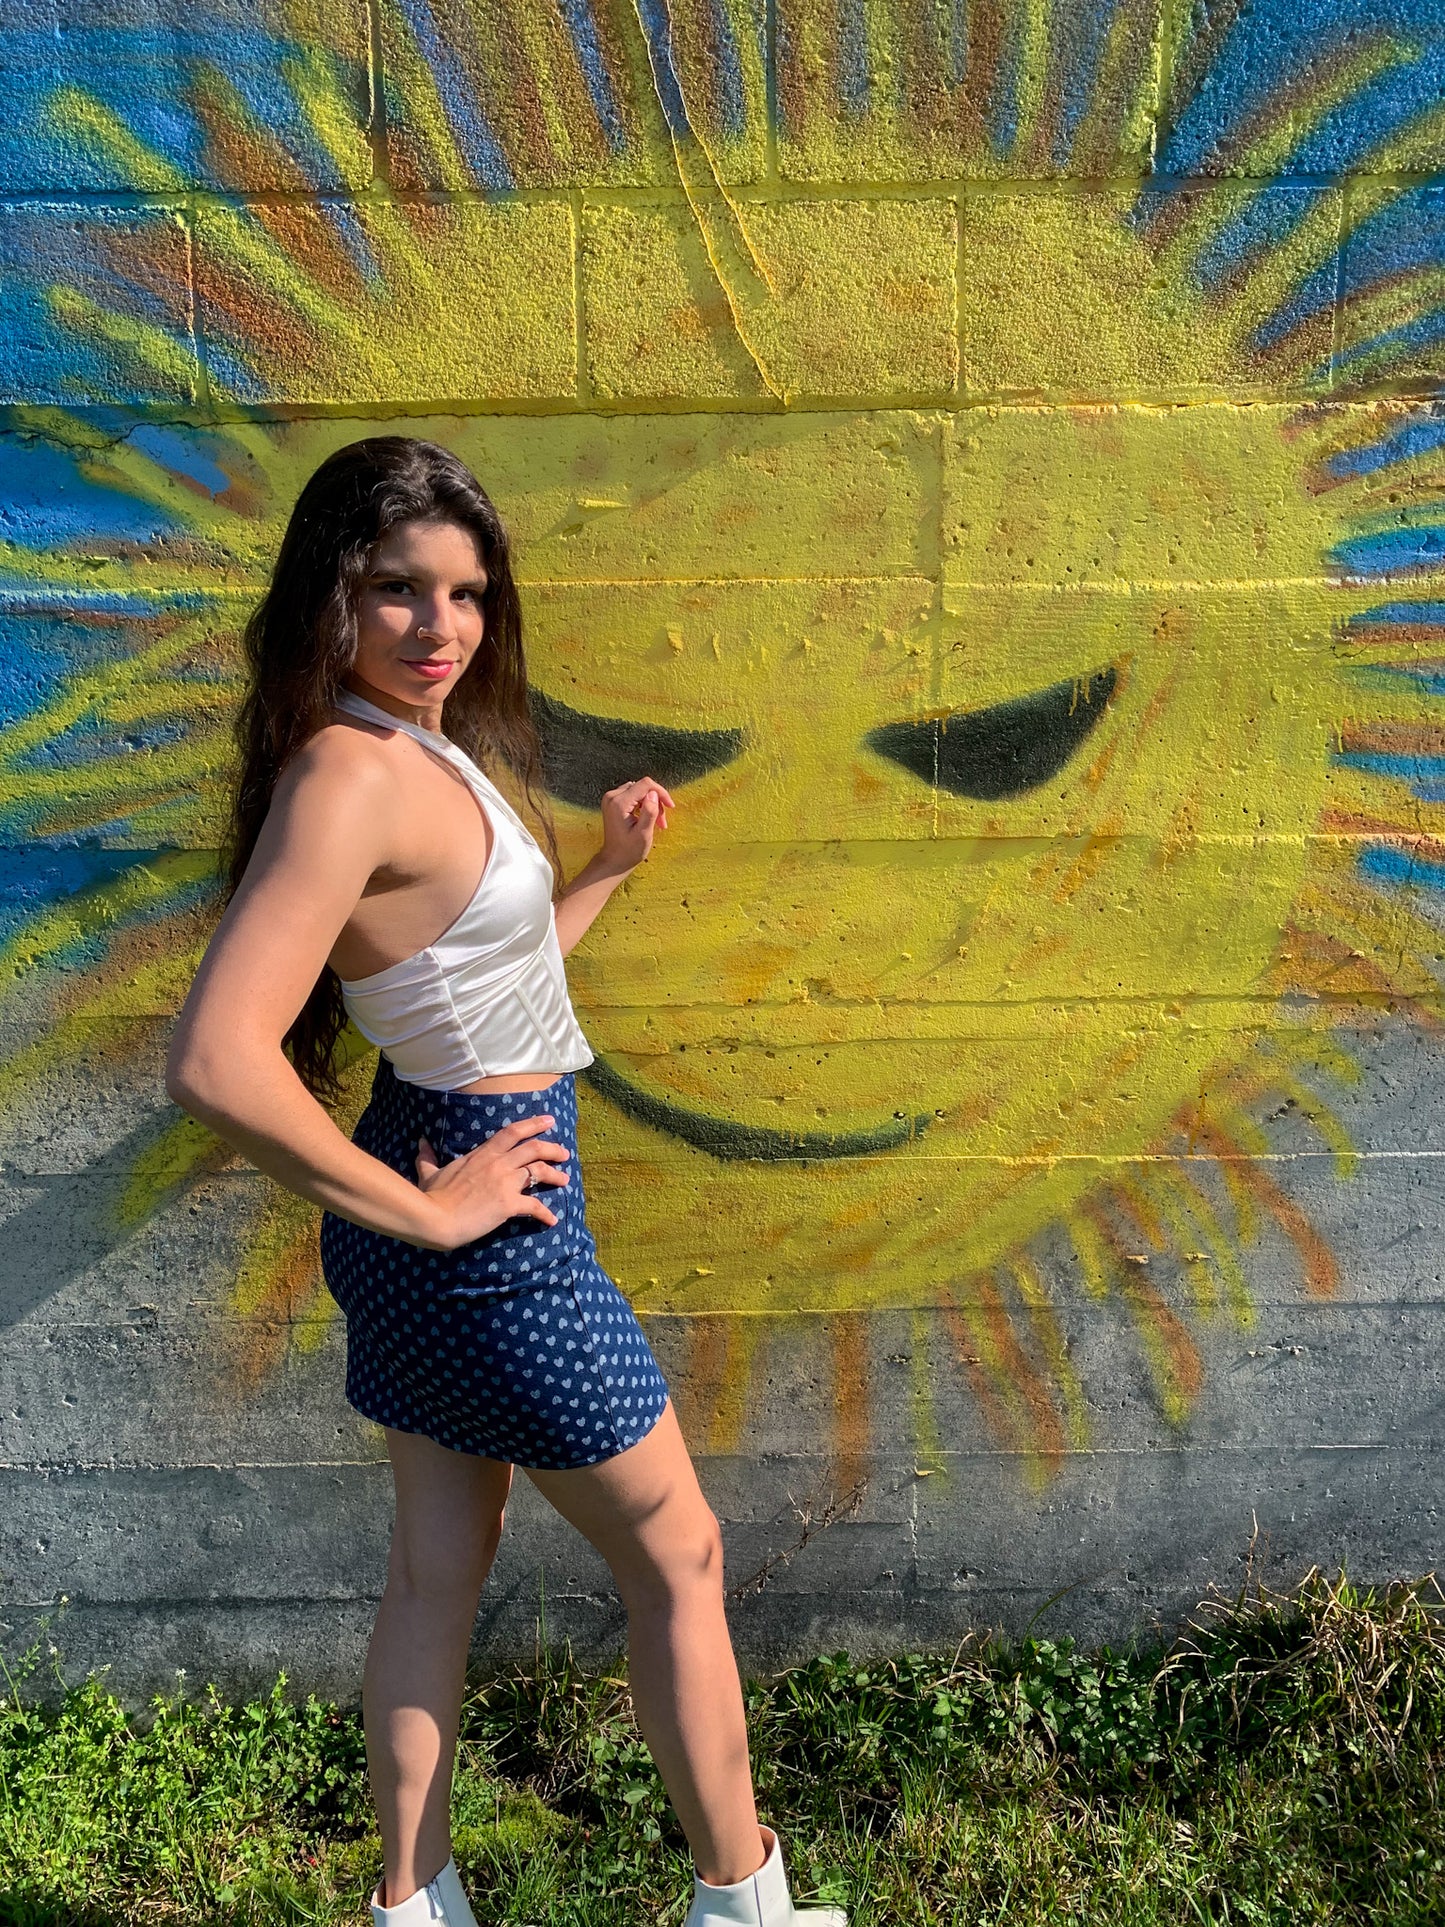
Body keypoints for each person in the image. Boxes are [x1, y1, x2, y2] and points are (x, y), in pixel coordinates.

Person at [164, 437, 845, 1927]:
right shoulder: (353, 776)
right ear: (329, 593)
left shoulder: (408, 744)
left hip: (446, 1202)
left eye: (466, 592)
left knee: (435, 1574)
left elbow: (482, 995)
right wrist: (432, 1213)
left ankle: (412, 1910)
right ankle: (743, 1903)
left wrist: (597, 875)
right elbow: (215, 1060)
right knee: (680, 1554)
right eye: (396, 588)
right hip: (487, 1242)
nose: (440, 625)